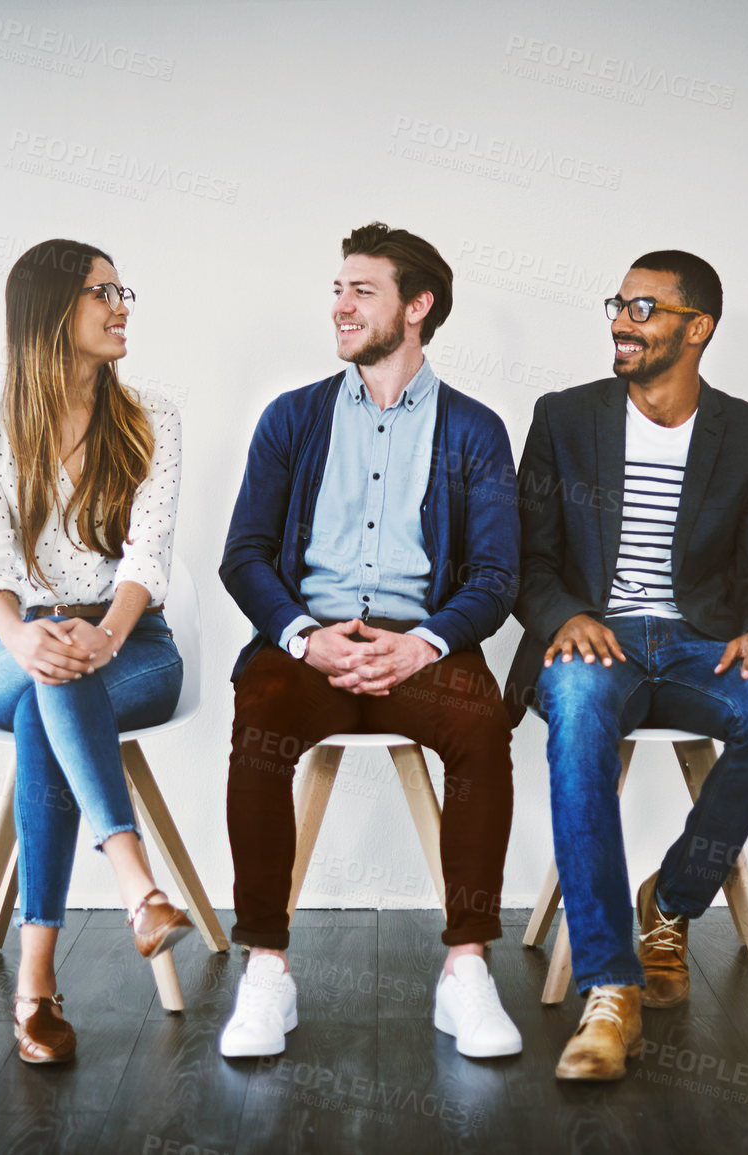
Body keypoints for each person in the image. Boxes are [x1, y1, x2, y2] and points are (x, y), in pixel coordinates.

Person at [216, 222, 522, 1060]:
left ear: (416, 307)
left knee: (480, 723)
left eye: (362, 290)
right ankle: (266, 970)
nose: (340, 306)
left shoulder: (475, 429)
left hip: (420, 643)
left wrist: (424, 643)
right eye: (338, 289)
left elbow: (497, 574)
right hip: (307, 643)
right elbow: (241, 555)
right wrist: (303, 635)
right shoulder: (291, 417)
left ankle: (465, 969)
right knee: (261, 718)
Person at [508, 250, 748, 1080]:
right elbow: (525, 558)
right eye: (617, 304)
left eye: (643, 309)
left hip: (696, 644)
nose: (619, 321)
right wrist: (564, 616)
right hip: (592, 638)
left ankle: (670, 901)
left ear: (697, 327)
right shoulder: (564, 417)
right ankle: (610, 985)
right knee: (573, 707)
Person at [0, 238, 194, 1065]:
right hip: (15, 639)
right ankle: (137, 886)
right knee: (42, 678)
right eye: (103, 291)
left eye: (121, 288)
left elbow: (148, 558)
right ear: (51, 313)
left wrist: (106, 633)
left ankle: (36, 985)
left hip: (134, 645)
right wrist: (23, 633)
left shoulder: (151, 418)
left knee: (46, 703)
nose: (122, 304)